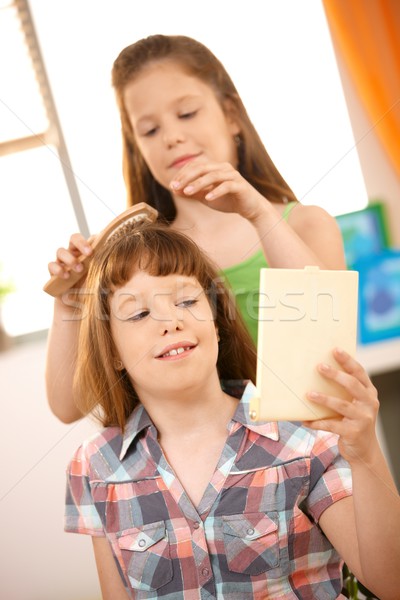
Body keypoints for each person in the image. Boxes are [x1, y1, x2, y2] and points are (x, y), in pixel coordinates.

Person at [65, 221, 400, 600]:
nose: (171, 322)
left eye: (187, 302)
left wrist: (366, 453)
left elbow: (391, 583)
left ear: (217, 323)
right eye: (139, 314)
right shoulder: (96, 465)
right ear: (111, 352)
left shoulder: (304, 435)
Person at [46, 34, 346, 423]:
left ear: (232, 115)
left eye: (187, 113)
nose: (172, 137)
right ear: (137, 149)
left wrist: (257, 212)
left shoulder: (307, 226)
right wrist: (69, 297)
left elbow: (327, 354)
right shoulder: (141, 258)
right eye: (149, 131)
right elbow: (68, 407)